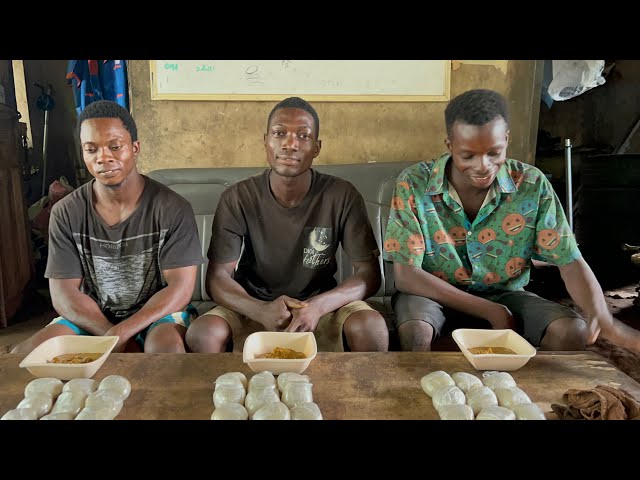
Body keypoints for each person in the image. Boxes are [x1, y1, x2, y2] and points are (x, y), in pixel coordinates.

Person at [383, 88, 640, 353]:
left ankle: (528, 393)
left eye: (494, 152)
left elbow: (569, 259)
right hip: (430, 294)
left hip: (506, 293)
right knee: (416, 330)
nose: (483, 165)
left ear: (506, 140)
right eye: (468, 155)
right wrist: (489, 310)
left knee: (572, 331)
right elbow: (407, 277)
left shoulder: (531, 184)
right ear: (450, 146)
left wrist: (599, 311)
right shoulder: (414, 183)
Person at [186, 96, 389, 353]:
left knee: (370, 325)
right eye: (279, 133)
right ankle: (226, 392)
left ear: (317, 147)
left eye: (303, 136)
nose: (290, 144)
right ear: (265, 140)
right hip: (253, 305)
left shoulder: (341, 195)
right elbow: (217, 278)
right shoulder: (238, 197)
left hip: (321, 305)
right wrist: (260, 309)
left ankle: (361, 395)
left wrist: (318, 305)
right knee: (203, 333)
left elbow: (368, 275)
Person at [11, 100, 203, 354]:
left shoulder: (172, 208)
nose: (103, 158)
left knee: (165, 350)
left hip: (157, 316)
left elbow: (180, 288)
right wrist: (110, 335)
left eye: (115, 146)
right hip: (91, 317)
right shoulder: (66, 212)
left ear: (135, 148)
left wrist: (124, 332)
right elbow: (63, 293)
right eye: (91, 149)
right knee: (25, 354)